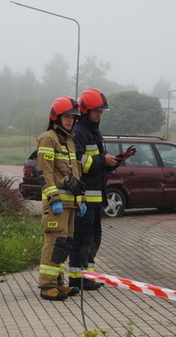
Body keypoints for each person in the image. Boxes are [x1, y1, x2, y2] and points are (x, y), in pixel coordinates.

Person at [35, 96, 87, 301]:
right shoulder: (48, 138)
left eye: (73, 117)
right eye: (67, 116)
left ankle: (58, 283)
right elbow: (44, 172)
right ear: (56, 116)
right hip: (56, 204)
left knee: (64, 244)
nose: (70, 120)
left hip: (70, 204)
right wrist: (53, 198)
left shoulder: (69, 142)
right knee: (54, 243)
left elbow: (75, 174)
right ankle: (47, 286)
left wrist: (79, 200)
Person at [68, 88, 117, 292]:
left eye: (101, 111)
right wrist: (101, 160)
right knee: (82, 238)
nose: (99, 114)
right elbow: (79, 162)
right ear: (86, 110)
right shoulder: (78, 132)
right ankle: (76, 278)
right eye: (97, 111)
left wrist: (110, 163)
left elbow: (95, 162)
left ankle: (88, 276)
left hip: (96, 198)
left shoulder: (94, 132)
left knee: (94, 237)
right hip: (85, 199)